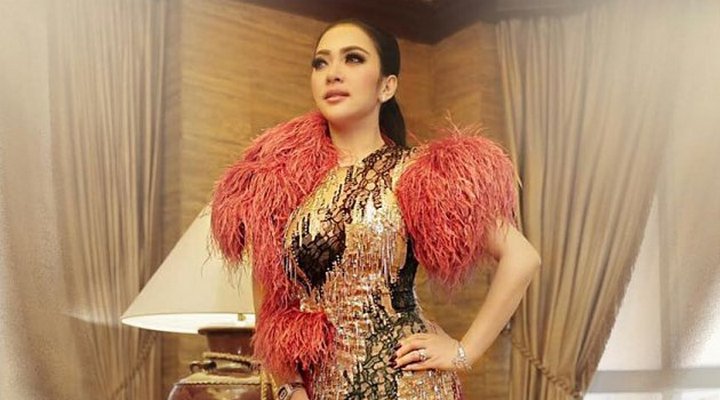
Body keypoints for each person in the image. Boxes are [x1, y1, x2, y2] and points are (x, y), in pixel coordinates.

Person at [210, 18, 541, 400]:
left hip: (408, 385)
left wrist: (463, 352)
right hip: (318, 388)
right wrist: (290, 386)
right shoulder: (281, 182)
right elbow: (269, 301)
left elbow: (522, 258)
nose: (333, 73)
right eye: (321, 62)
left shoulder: (420, 173)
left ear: (387, 86)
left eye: (353, 59)